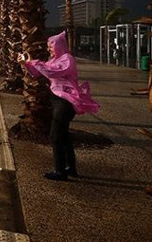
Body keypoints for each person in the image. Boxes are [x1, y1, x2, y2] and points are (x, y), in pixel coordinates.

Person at [18, 32, 100, 181]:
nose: (49, 49)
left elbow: (52, 72)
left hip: (65, 103)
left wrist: (34, 62)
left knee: (55, 136)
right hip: (58, 101)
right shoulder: (54, 60)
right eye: (48, 46)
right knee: (64, 135)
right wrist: (26, 64)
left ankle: (60, 171)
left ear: (59, 46)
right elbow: (37, 73)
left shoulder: (67, 60)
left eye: (51, 46)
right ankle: (71, 168)